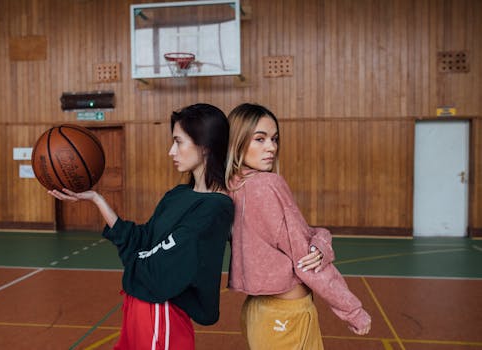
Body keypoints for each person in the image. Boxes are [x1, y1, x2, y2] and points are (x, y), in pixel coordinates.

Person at [49, 103, 234, 350]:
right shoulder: (178, 194)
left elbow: (162, 267)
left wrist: (133, 264)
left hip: (161, 313)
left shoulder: (216, 207)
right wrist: (96, 199)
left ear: (205, 145)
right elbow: (144, 239)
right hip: (137, 304)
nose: (171, 151)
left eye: (178, 142)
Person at [226, 103, 371, 350]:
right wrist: (353, 310)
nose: (271, 147)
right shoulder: (267, 185)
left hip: (259, 311)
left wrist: (320, 239)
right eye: (259, 139)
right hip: (285, 317)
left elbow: (296, 237)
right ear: (237, 141)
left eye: (274, 139)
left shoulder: (232, 187)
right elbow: (305, 259)